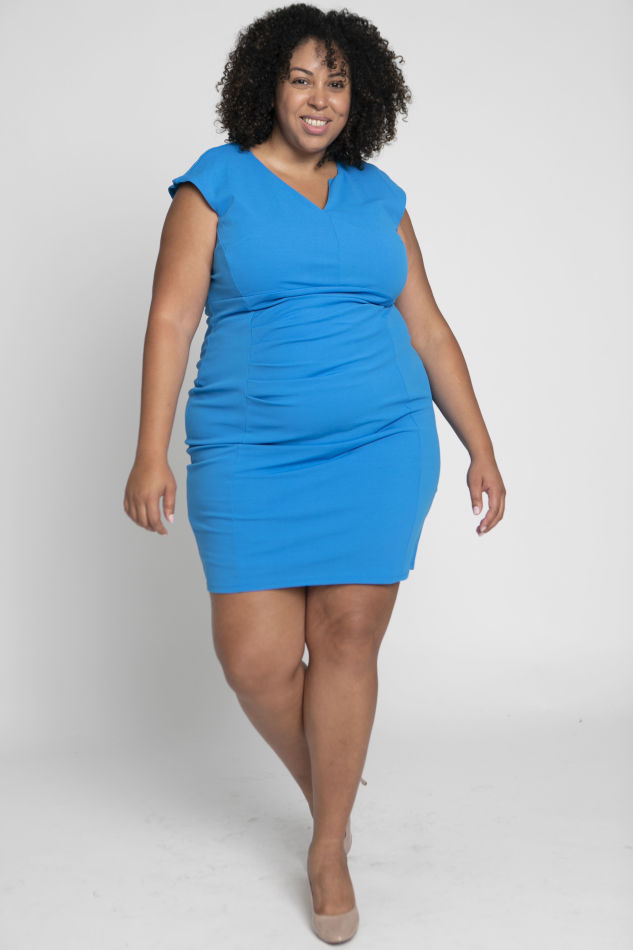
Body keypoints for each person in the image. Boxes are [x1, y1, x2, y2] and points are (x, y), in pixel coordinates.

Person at [123, 4, 506, 943]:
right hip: (247, 453)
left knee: (346, 644)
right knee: (253, 663)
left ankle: (327, 845)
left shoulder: (381, 198)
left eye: (336, 82)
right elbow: (171, 319)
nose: (319, 98)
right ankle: (331, 781)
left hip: (380, 446)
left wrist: (480, 445)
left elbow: (429, 330)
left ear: (359, 97)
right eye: (301, 78)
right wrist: (148, 449)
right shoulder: (213, 184)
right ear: (268, 85)